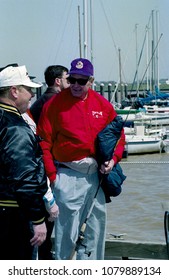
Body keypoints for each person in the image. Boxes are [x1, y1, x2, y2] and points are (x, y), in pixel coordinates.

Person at [37, 58, 126, 260]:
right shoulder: (54, 105)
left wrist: (112, 161)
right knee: (66, 235)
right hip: (66, 176)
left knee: (95, 232)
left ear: (91, 80)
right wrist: (53, 178)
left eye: (82, 81)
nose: (76, 85)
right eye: (72, 80)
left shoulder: (103, 105)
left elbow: (119, 137)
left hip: (95, 177)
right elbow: (44, 143)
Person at [0, 65, 48, 260]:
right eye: (28, 90)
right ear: (14, 91)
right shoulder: (16, 129)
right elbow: (24, 178)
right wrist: (38, 219)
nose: (32, 95)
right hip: (13, 213)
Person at [28, 65, 69, 260]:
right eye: (69, 79)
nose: (71, 84)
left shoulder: (39, 103)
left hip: (40, 167)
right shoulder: (55, 103)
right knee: (51, 219)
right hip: (49, 168)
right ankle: (46, 260)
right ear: (58, 81)